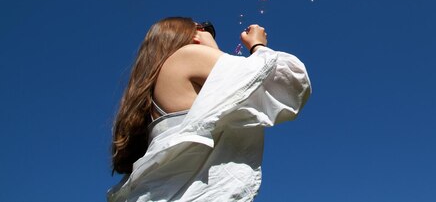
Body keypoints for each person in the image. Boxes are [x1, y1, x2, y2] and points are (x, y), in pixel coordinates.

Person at [107, 17, 311, 202]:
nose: (213, 36)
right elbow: (288, 84)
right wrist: (258, 45)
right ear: (194, 33)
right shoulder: (187, 56)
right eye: (208, 29)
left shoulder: (160, 88)